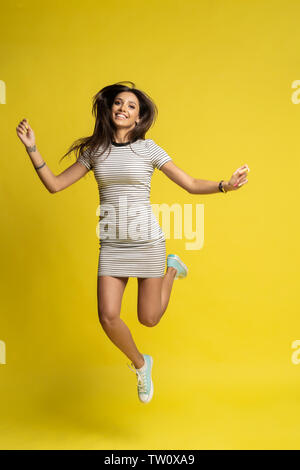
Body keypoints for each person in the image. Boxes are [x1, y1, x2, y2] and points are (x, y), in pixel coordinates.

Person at [16, 81, 250, 404]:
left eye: (131, 106)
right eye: (119, 104)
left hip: (147, 242)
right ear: (110, 110)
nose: (123, 109)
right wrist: (32, 148)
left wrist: (226, 185)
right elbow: (55, 185)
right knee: (108, 315)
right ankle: (142, 365)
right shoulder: (94, 152)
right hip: (112, 246)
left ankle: (170, 270)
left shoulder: (149, 149)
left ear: (139, 118)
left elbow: (191, 183)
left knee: (149, 318)